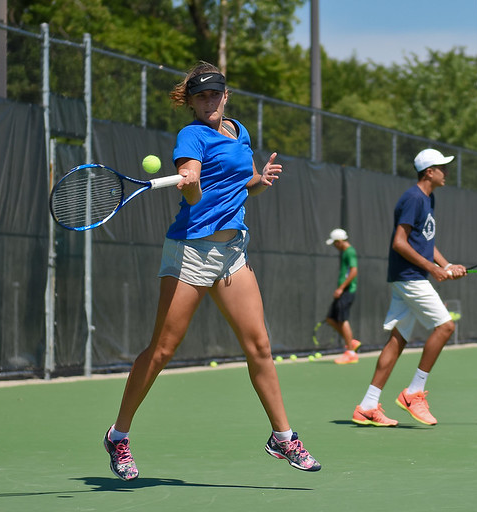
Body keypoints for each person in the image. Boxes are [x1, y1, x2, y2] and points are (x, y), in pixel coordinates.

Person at [102, 61, 321, 481]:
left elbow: (242, 185)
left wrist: (260, 180)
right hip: (191, 251)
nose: (209, 102)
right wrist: (190, 182)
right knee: (163, 350)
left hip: (232, 253)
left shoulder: (239, 131)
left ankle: (282, 436)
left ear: (226, 94)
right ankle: (118, 434)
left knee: (259, 345)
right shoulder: (191, 136)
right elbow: (198, 192)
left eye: (214, 94)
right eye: (200, 96)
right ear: (192, 101)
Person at [351, 148, 467, 428]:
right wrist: (433, 269)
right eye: (442, 167)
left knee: (397, 339)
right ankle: (414, 392)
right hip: (409, 276)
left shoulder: (429, 199)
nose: (446, 172)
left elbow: (426, 242)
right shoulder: (414, 198)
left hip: (412, 276)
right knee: (446, 327)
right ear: (429, 172)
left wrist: (446, 264)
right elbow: (399, 242)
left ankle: (367, 406)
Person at [324, 228, 362, 364]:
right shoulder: (346, 252)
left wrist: (341, 288)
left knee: (342, 320)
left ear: (339, 241)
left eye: (335, 243)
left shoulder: (349, 252)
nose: (335, 246)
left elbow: (354, 271)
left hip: (347, 291)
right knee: (330, 318)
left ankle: (351, 353)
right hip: (343, 291)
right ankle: (351, 342)